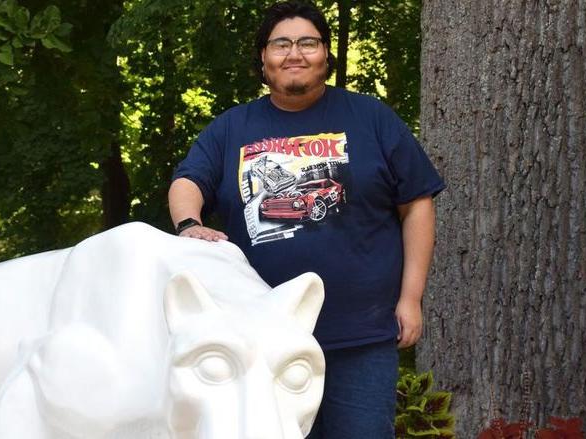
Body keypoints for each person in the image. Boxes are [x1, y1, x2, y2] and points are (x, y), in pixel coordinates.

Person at [168, 1, 444, 437]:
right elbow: (189, 182)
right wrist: (188, 225)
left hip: (360, 336)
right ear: (263, 57)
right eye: (281, 43)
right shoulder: (230, 128)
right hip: (261, 345)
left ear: (326, 55)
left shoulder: (371, 118)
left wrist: (411, 298)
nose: (294, 53)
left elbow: (417, 204)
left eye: (307, 43)